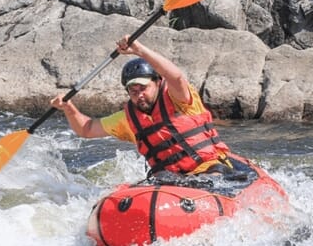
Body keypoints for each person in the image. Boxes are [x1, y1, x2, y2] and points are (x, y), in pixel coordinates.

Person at [51, 36, 233, 176]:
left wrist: (139, 50)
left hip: (210, 169)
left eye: (143, 88)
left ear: (157, 82)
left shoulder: (179, 99)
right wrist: (68, 108)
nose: (139, 94)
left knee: (213, 178)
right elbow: (87, 129)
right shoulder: (128, 118)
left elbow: (176, 76)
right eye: (133, 90)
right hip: (172, 181)